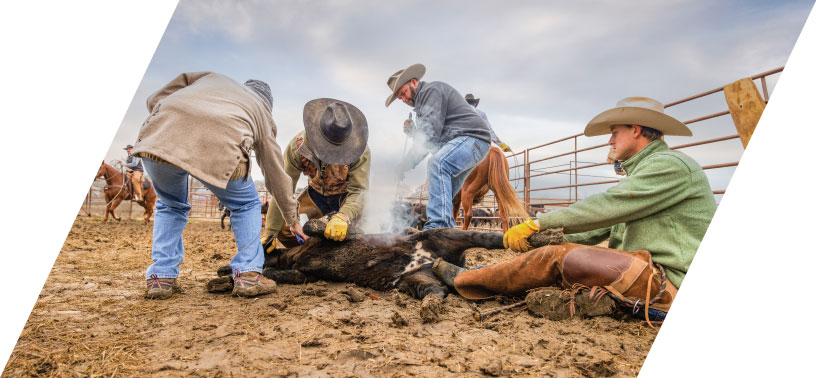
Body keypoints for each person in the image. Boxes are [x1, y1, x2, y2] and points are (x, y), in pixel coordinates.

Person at [433, 97, 717, 319]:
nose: (610, 140)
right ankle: (477, 277)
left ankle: (464, 280)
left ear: (636, 129)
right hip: (650, 273)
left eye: (615, 133)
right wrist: (539, 241)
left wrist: (539, 224)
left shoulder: (670, 166)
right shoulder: (650, 173)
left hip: (668, 282)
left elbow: (609, 205)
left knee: (560, 259)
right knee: (555, 254)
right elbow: (600, 227)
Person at [131, 72, 306, 299]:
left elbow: (153, 99)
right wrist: (292, 220)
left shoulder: (210, 78)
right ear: (267, 105)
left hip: (159, 136)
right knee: (246, 205)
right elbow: (275, 172)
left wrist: (169, 116)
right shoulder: (260, 112)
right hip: (220, 145)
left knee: (169, 205)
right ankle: (248, 275)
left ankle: (161, 278)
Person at [385, 63, 493, 230]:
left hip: (472, 138)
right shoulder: (423, 106)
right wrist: (414, 133)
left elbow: (429, 138)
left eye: (404, 93)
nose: (404, 99)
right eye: (401, 98)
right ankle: (446, 234)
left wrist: (404, 165)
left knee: (437, 164)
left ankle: (438, 228)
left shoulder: (431, 92)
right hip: (470, 143)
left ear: (413, 82)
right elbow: (430, 141)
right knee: (444, 191)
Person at [262, 98, 370, 250]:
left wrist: (343, 216)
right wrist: (271, 231)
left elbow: (359, 191)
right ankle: (308, 256)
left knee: (362, 236)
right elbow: (283, 188)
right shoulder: (297, 148)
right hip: (315, 195)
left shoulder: (360, 150)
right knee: (284, 229)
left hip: (346, 198)